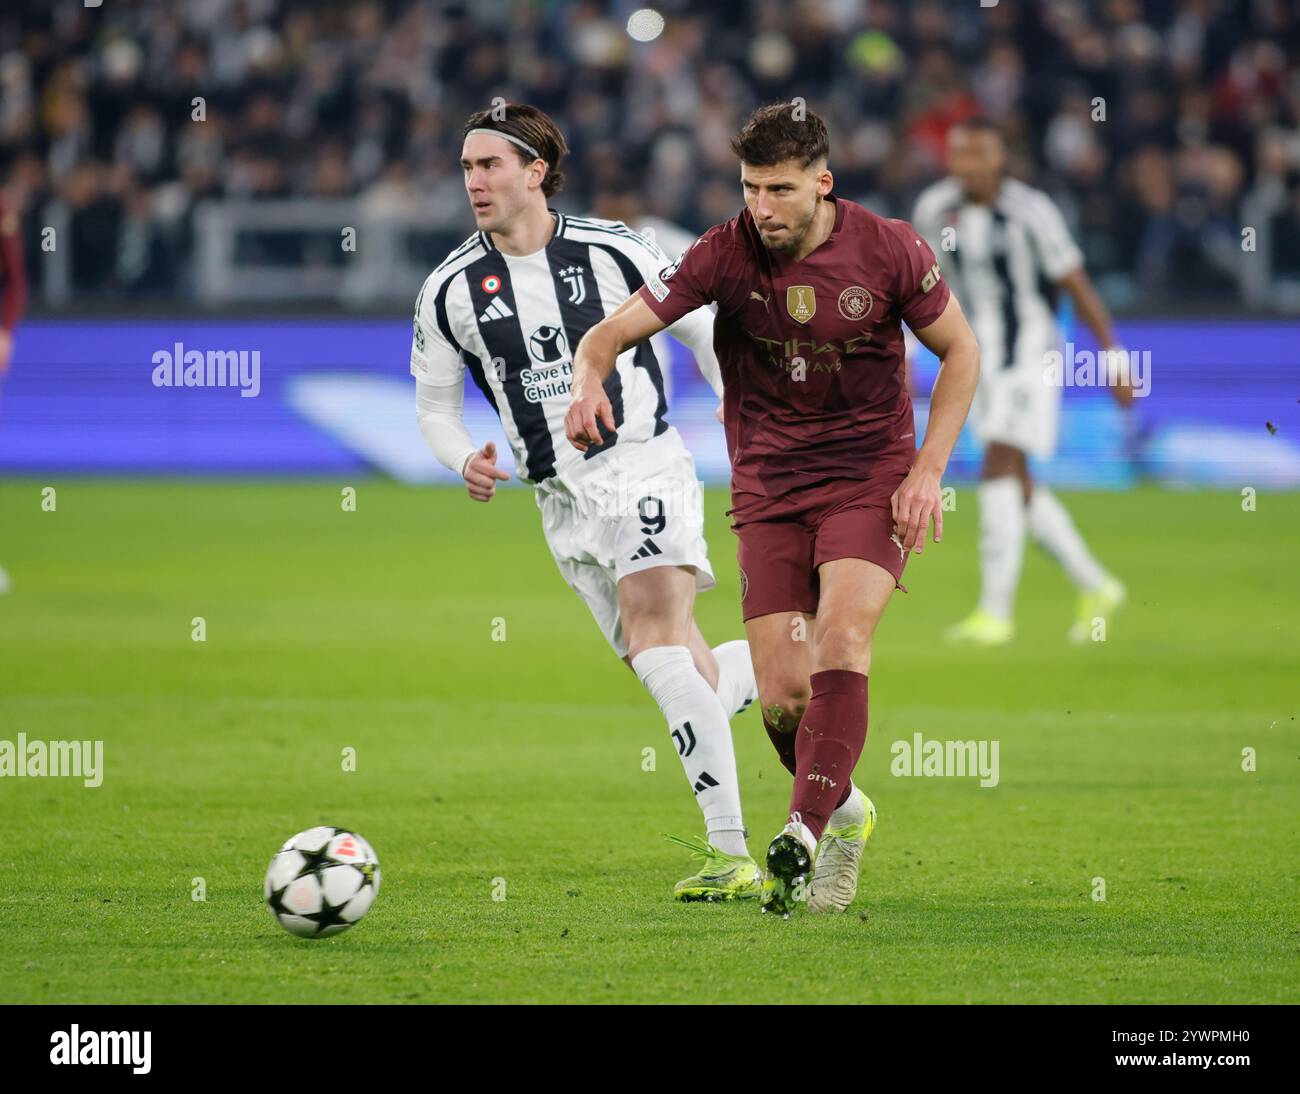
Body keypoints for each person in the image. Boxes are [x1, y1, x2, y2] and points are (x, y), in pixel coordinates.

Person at [567, 103, 980, 916]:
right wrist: (588, 378)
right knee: (785, 698)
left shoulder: (891, 247)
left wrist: (928, 471)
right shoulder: (722, 253)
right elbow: (608, 335)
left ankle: (800, 832)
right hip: (769, 487)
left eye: (781, 189)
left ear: (823, 184)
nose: (763, 207)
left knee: (844, 636)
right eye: (752, 187)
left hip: (870, 476)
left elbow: (960, 351)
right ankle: (847, 812)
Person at [410, 104, 761, 901]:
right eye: (466, 167)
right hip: (559, 504)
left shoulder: (616, 248)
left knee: (656, 627)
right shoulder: (449, 290)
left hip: (643, 464)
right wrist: (463, 455)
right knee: (673, 664)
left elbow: (705, 334)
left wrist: (748, 433)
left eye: (489, 164)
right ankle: (794, 687)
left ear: (536, 171)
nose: (474, 181)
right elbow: (434, 406)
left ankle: (731, 855)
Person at [913, 117, 1131, 646]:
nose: (969, 166)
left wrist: (1114, 360)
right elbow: (921, 290)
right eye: (961, 155)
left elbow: (1076, 285)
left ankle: (994, 614)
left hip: (1031, 355)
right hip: (974, 360)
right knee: (1019, 482)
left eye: (980, 154)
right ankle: (1097, 583)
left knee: (999, 463)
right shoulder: (933, 210)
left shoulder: (1032, 211)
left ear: (1000, 158)